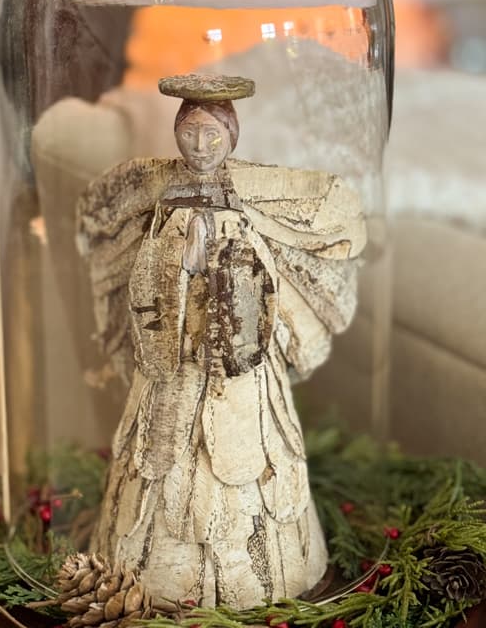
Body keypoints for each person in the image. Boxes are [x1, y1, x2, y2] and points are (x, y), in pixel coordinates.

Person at [76, 73, 365, 608]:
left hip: (243, 371)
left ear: (232, 138)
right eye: (190, 135)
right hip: (175, 363)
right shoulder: (164, 194)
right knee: (161, 458)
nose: (201, 147)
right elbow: (137, 260)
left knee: (252, 457)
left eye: (213, 136)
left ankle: (267, 569)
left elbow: (299, 233)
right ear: (177, 134)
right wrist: (180, 262)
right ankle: (147, 578)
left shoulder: (251, 193)